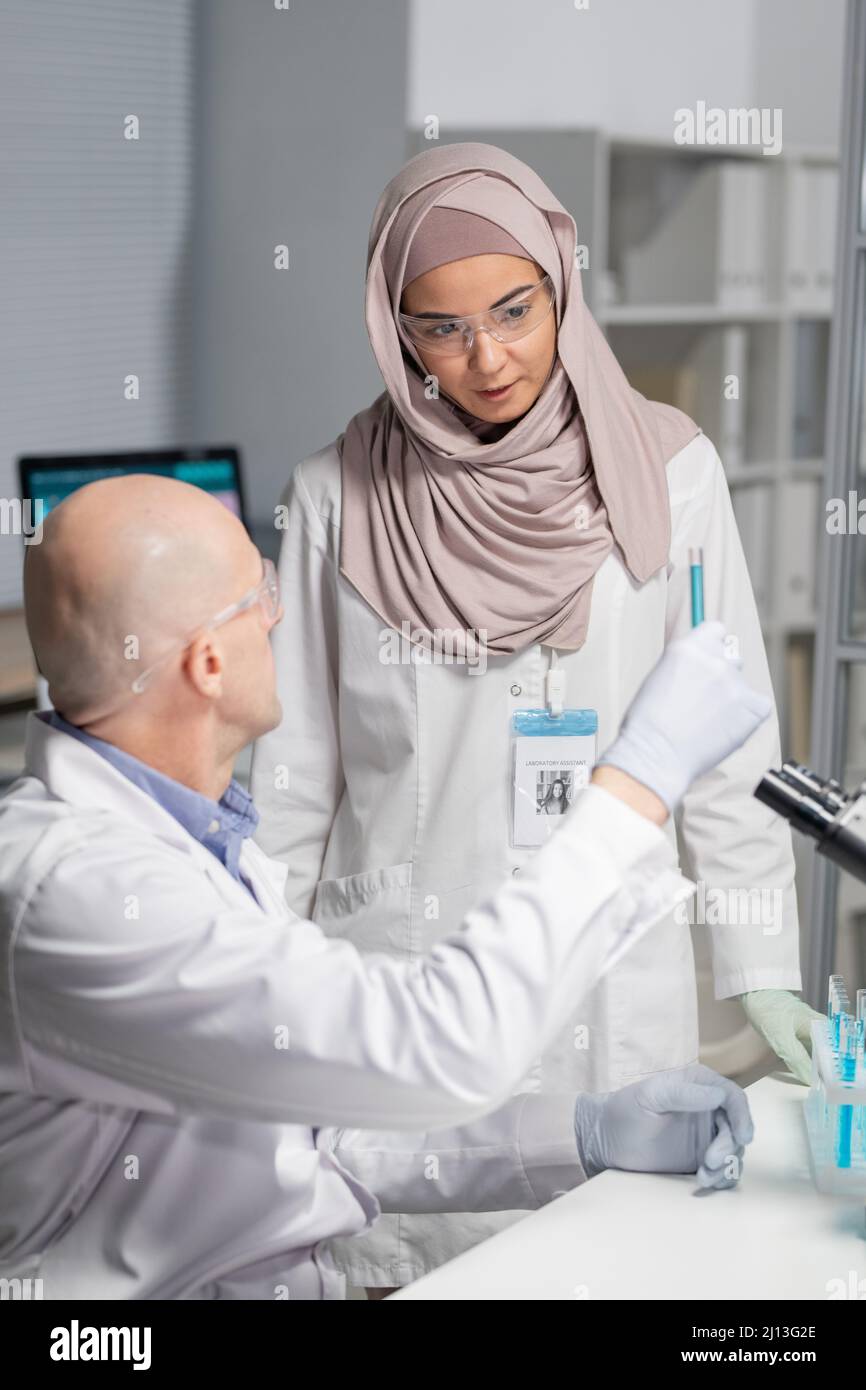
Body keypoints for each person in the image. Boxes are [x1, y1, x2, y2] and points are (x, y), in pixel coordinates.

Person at [249, 142, 820, 1293]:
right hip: (410, 976)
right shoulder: (332, 495)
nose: (487, 357)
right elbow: (292, 781)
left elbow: (720, 747)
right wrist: (257, 1002)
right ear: (392, 325)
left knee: (612, 1263)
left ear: (561, 281)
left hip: (609, 972)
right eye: (440, 327)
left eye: (513, 311)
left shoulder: (673, 473)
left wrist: (760, 962)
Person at [0, 475, 766, 1300]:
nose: (281, 612)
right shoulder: (84, 890)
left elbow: (311, 1129)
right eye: (259, 592)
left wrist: (579, 1134)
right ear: (210, 663)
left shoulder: (201, 840)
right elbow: (435, 1044)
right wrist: (640, 778)